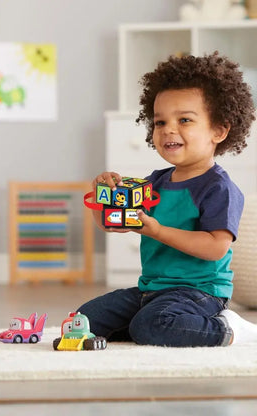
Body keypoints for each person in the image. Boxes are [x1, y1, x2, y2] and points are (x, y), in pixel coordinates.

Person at [79, 52, 257, 347]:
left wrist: (157, 231)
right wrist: (103, 199)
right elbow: (114, 225)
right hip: (151, 290)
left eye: (184, 120)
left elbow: (215, 247)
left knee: (152, 325)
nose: (168, 130)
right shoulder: (155, 182)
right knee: (85, 319)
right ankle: (151, 326)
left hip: (200, 293)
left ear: (219, 130)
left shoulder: (219, 188)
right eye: (160, 122)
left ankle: (230, 330)